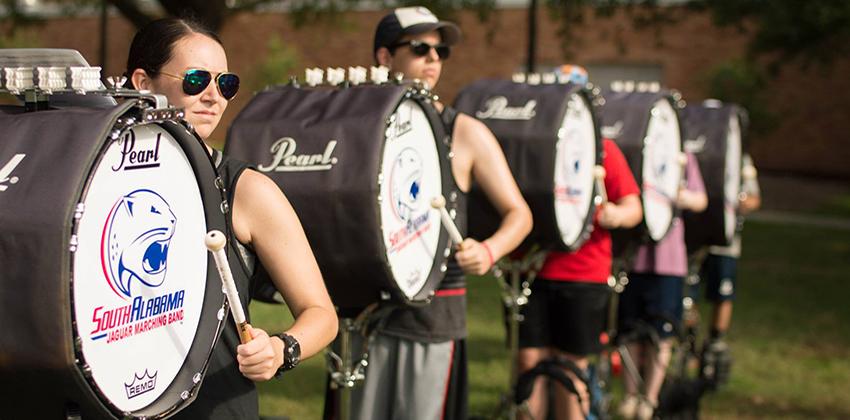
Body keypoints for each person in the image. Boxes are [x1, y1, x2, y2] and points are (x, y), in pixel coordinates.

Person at [324, 7, 533, 420]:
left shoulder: (465, 131)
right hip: (360, 310)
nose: (434, 58)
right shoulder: (351, 125)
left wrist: (489, 251)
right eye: (420, 48)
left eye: (440, 51)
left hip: (432, 317)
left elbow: (519, 214)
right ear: (385, 57)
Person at [126, 18, 338, 419]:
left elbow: (322, 314)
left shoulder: (246, 190)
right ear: (142, 82)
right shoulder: (99, 184)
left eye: (225, 84)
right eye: (195, 80)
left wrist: (280, 349)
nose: (213, 96)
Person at [517, 136, 643, 420]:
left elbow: (634, 208)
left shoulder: (602, 147)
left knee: (571, 367)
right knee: (528, 363)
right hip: (532, 268)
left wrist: (618, 215)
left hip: (584, 275)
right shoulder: (536, 139)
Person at [617, 153, 708, 420]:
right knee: (630, 331)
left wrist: (680, 195)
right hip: (634, 257)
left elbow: (700, 199)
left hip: (668, 262)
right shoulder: (634, 148)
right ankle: (630, 395)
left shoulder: (682, 155)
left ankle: (650, 398)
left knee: (662, 333)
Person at [696, 152, 761, 387]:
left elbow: (754, 198)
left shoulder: (740, 156)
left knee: (723, 293)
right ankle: (689, 340)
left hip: (726, 243)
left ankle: (715, 341)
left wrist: (743, 203)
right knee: (689, 290)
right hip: (697, 239)